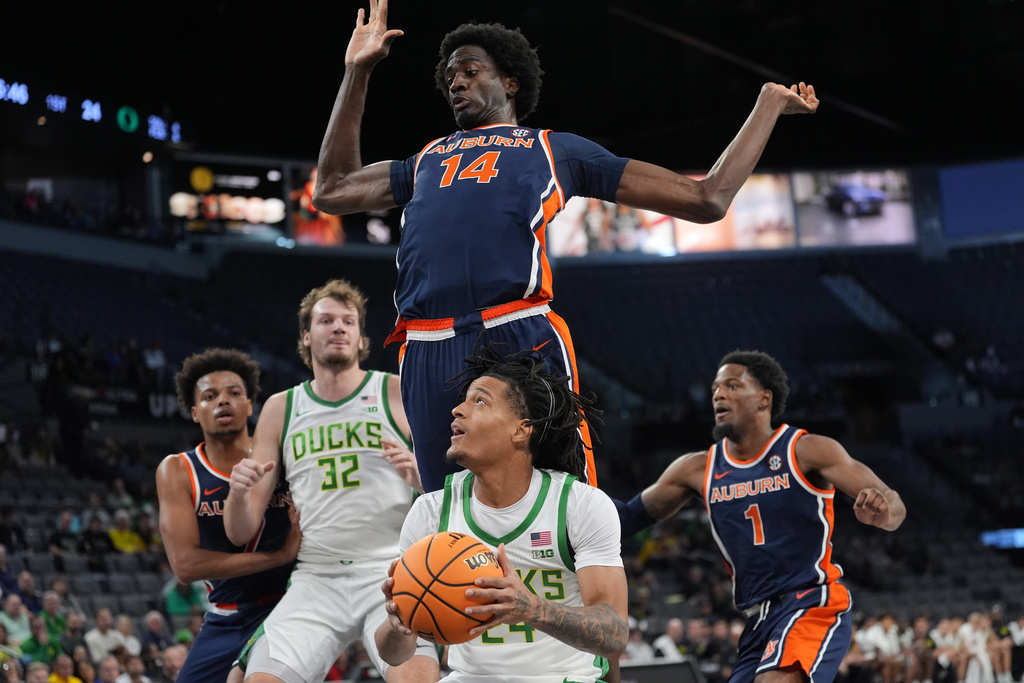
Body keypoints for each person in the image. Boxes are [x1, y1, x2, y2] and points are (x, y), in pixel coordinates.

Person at [312, 0, 819, 494]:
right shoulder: (425, 159)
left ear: (510, 82)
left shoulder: (554, 149)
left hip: (515, 333)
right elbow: (332, 190)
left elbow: (706, 198)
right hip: (424, 345)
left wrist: (768, 105)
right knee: (447, 516)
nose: (457, 82)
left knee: (567, 503)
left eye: (469, 70)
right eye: (450, 78)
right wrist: (357, 72)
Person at [615, 350, 906, 683]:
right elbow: (626, 518)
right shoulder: (696, 469)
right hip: (758, 620)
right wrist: (565, 496)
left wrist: (883, 515)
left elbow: (894, 505)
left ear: (764, 399)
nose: (719, 394)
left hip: (813, 602)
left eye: (733, 386)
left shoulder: (806, 450)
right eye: (715, 389)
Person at [224, 279, 437, 683]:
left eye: (348, 321)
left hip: (392, 569)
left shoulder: (395, 391)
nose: (338, 327)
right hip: (317, 575)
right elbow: (240, 531)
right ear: (307, 336)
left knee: (418, 679)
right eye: (326, 320)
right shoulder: (281, 407)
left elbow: (452, 497)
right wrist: (237, 494)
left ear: (360, 339)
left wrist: (420, 477)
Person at [374, 346, 628, 683]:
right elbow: (393, 653)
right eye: (464, 400)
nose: (457, 410)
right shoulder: (431, 512)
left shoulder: (579, 504)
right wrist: (398, 625)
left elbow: (613, 634)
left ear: (521, 430)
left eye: (479, 401)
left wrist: (530, 608)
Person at [155, 347, 301, 683]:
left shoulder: (283, 453)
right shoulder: (178, 470)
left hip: (289, 604)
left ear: (250, 406)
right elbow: (186, 566)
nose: (223, 401)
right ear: (194, 412)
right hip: (227, 615)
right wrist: (278, 556)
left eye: (235, 393)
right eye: (210, 396)